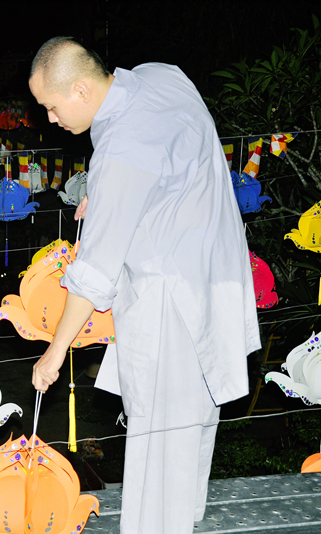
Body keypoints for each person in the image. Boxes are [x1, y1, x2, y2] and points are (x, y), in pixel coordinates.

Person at [28, 37, 260, 534]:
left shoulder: (121, 150)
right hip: (215, 275)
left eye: (51, 106)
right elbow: (173, 161)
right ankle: (186, 518)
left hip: (169, 302)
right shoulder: (162, 75)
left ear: (81, 90)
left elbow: (95, 272)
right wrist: (107, 195)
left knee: (160, 441)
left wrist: (54, 352)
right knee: (193, 425)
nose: (50, 118)